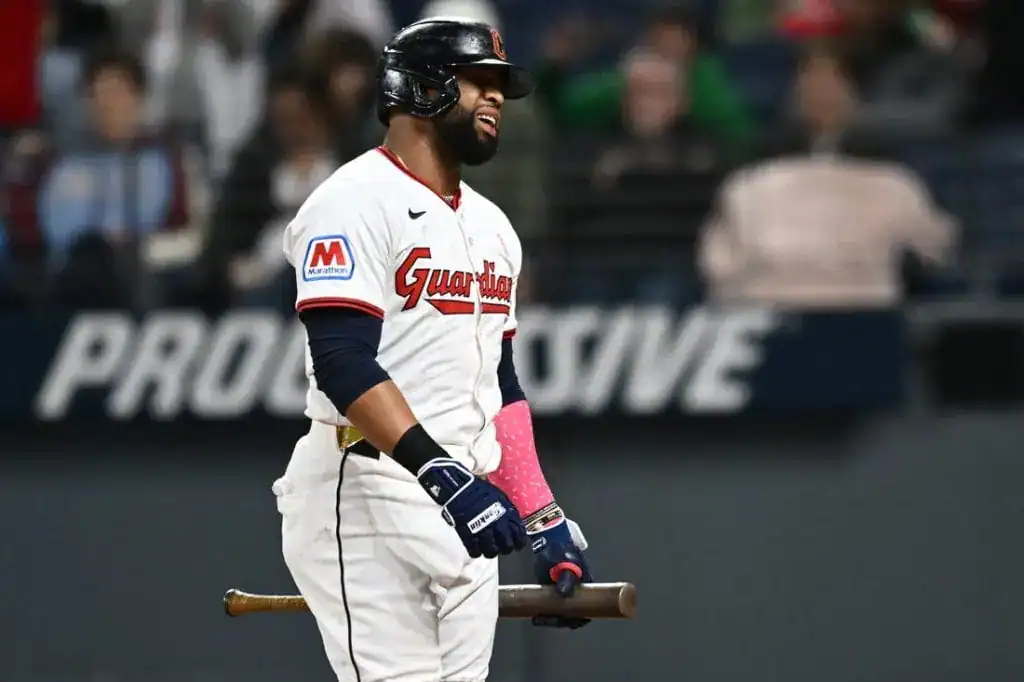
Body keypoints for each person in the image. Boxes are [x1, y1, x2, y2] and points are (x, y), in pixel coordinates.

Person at [272, 18, 593, 682]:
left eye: (501, 85)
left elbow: (498, 385)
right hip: (368, 486)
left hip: (468, 503)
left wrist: (541, 512)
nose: (497, 97)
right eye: (480, 81)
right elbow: (341, 360)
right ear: (419, 89)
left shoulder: (493, 227)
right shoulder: (350, 201)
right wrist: (441, 475)